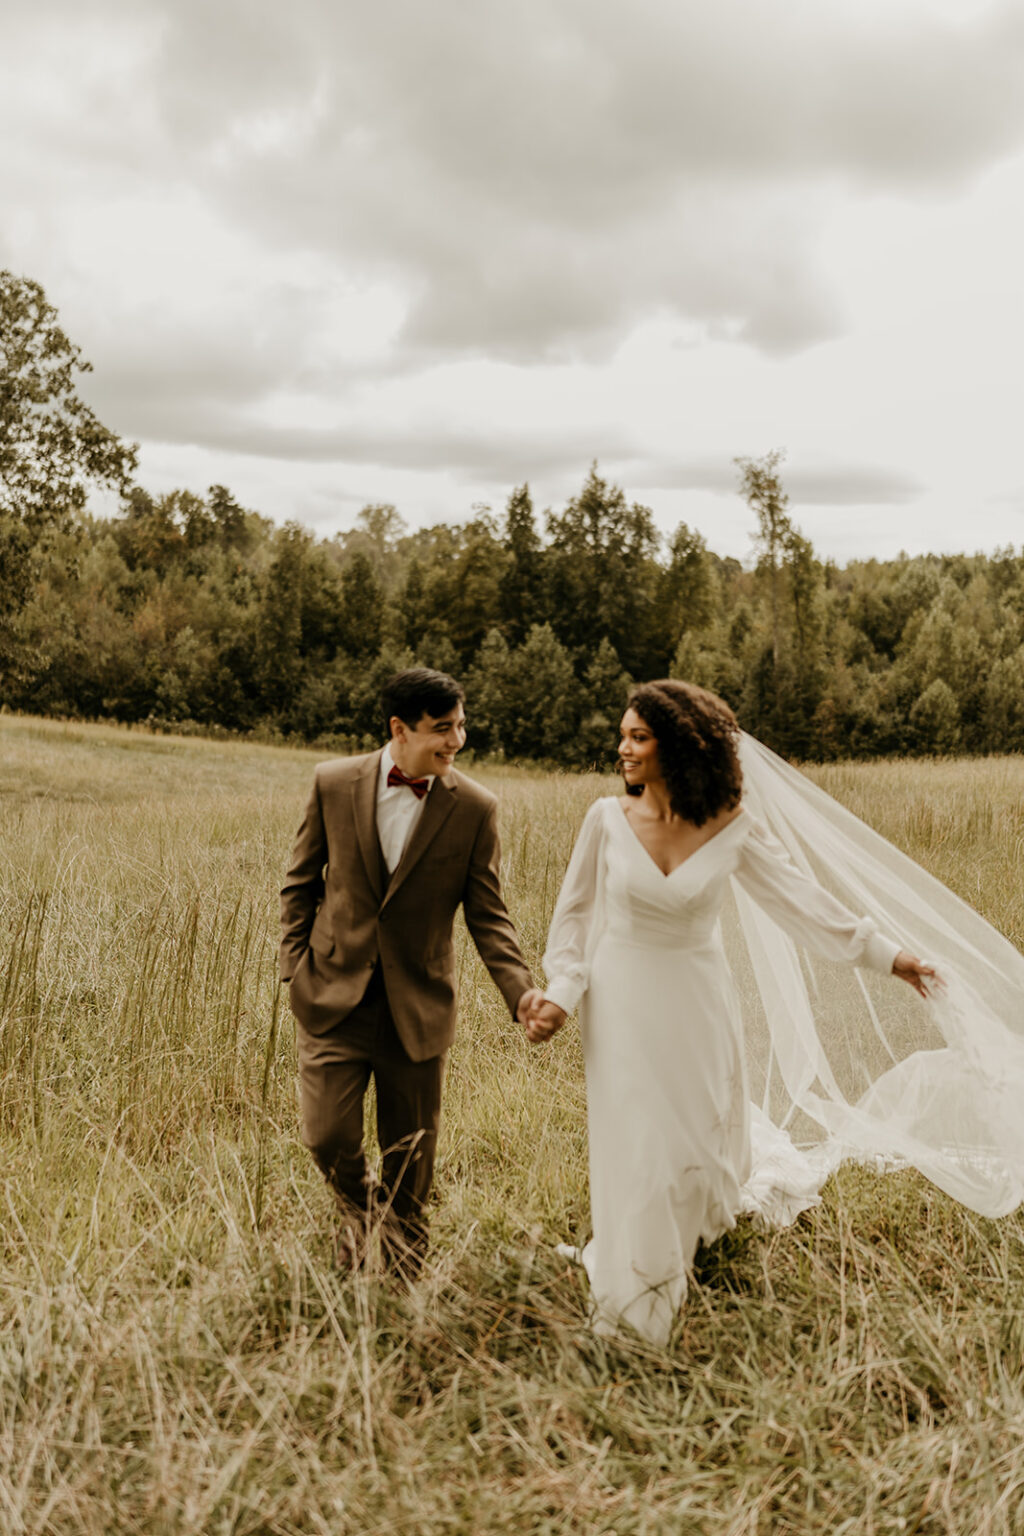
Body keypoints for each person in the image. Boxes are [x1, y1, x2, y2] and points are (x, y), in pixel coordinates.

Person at [524, 679, 957, 1346]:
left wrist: (888, 956)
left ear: (678, 747)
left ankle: (679, 1239)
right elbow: (575, 924)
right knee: (638, 1143)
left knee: (695, 1148)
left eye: (638, 737)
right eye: (624, 735)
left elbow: (804, 903)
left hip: (697, 1002)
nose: (622, 748)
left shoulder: (731, 825)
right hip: (622, 1006)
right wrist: (559, 994)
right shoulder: (604, 821)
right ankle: (632, 1308)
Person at [280, 667, 543, 1275]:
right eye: (442, 729)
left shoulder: (476, 808)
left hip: (416, 1010)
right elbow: (299, 883)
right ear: (399, 729)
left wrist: (521, 992)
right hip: (331, 996)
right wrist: (295, 967)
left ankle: (402, 1273)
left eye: (462, 726)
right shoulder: (332, 783)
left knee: (411, 1158)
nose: (458, 740)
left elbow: (489, 915)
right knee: (326, 1137)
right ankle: (358, 1211)